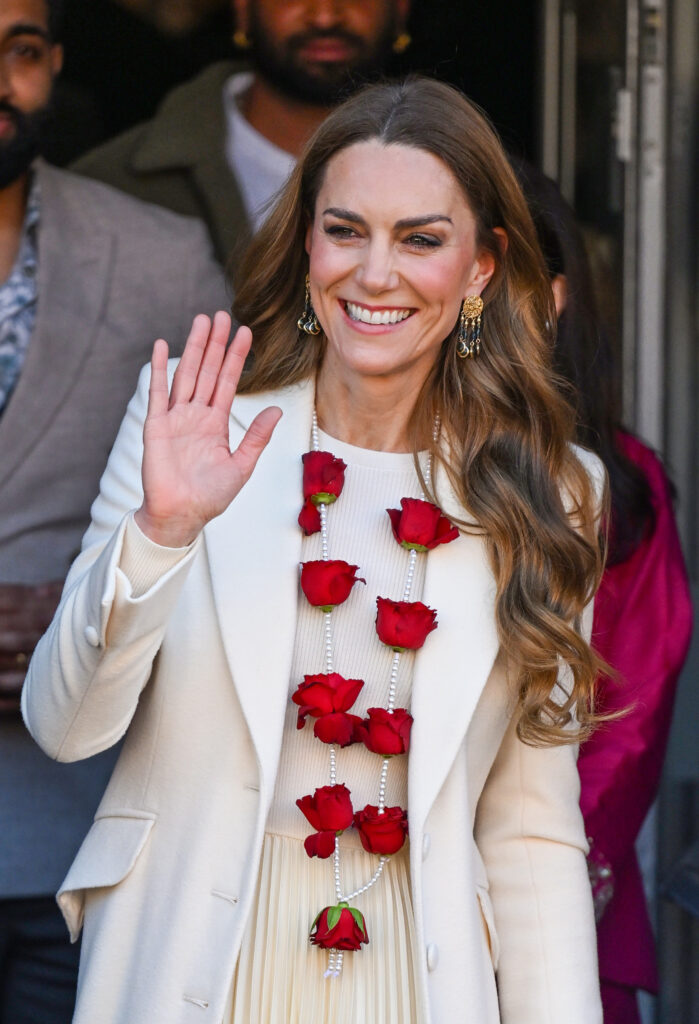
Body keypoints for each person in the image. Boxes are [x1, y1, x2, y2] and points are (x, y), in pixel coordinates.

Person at [24, 78, 605, 1024]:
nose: (374, 274)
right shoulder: (193, 429)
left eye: (420, 239)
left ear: (481, 269)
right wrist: (162, 534)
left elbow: (532, 829)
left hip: (416, 981)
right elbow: (65, 727)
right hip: (192, 970)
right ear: (306, 245)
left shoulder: (555, 489)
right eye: (345, 230)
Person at [0, 0, 229, 1019]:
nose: (0, 79)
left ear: (53, 65)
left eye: (20, 50)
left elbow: (237, 523)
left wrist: (86, 604)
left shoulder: (163, 255)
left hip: (80, 831)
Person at [513, 159, 693, 1024]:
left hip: (548, 907)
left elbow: (628, 709)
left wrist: (533, 875)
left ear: (550, 296)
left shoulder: (613, 484)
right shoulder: (326, 466)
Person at [70, 0, 411, 265]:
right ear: (244, 9)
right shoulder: (107, 187)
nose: (324, 16)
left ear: (400, 9)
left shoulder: (458, 172)